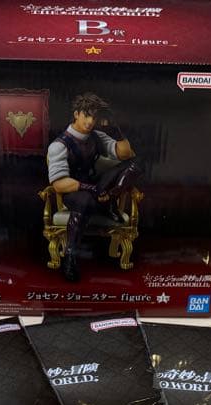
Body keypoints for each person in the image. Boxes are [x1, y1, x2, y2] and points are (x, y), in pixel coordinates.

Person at [46, 92, 142, 282]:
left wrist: (117, 131)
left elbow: (126, 154)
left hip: (97, 186)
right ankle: (70, 257)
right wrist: (91, 189)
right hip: (74, 190)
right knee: (85, 201)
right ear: (76, 114)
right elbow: (59, 184)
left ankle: (109, 198)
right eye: (86, 115)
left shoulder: (97, 136)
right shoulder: (59, 145)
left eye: (94, 117)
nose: (90, 121)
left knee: (135, 164)